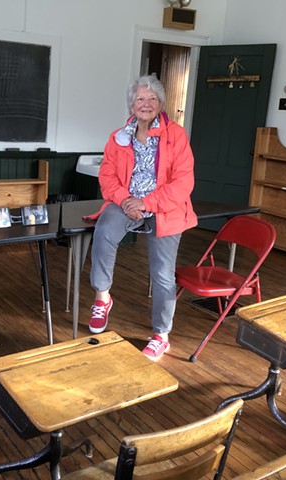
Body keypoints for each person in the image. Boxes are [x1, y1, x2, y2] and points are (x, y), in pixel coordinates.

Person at [85, 74, 197, 361]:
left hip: (164, 207)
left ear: (160, 103)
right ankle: (102, 297)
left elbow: (183, 183)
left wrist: (146, 203)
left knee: (162, 273)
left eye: (152, 99)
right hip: (125, 203)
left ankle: (161, 335)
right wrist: (125, 200)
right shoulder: (118, 137)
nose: (146, 104)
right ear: (131, 106)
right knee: (104, 231)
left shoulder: (177, 136)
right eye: (140, 99)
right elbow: (107, 175)